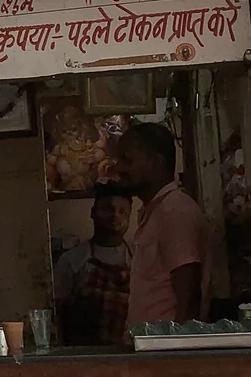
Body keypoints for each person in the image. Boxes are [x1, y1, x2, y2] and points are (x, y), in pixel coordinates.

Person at [116, 122, 206, 329]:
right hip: (155, 342)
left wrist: (179, 343)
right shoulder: (156, 210)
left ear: (157, 162)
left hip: (168, 344)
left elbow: (188, 296)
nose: (119, 168)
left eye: (127, 160)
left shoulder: (174, 210)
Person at [52, 186, 132, 346]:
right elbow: (57, 313)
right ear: (93, 212)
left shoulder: (139, 257)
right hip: (85, 352)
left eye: (122, 211)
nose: (115, 215)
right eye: (108, 209)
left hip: (130, 349)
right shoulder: (72, 259)